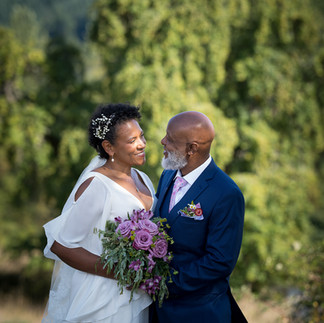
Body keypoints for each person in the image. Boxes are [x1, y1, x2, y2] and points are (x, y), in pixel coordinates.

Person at [42, 103, 156, 323]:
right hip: (104, 297)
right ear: (109, 147)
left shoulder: (144, 180)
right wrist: (119, 272)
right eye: (132, 141)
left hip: (137, 293)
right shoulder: (97, 185)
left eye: (141, 136)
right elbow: (60, 245)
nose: (142, 144)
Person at [151, 111, 247, 323]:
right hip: (158, 310)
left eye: (170, 139)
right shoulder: (168, 174)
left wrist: (165, 283)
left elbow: (220, 261)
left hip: (199, 312)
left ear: (192, 148)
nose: (162, 141)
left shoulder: (226, 193)